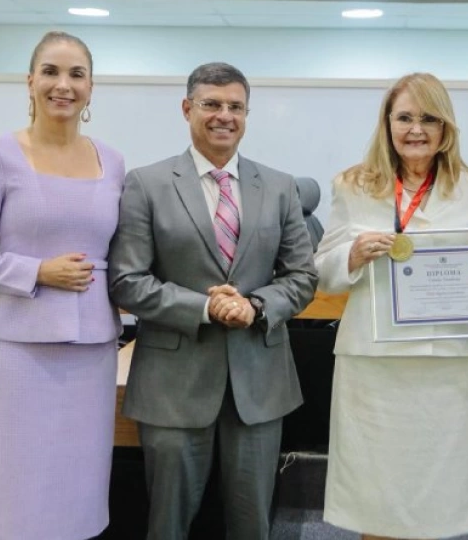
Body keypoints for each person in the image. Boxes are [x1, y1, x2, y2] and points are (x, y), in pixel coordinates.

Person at [108, 62, 318, 540]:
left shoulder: (281, 187)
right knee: (168, 523)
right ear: (187, 109)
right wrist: (205, 308)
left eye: (235, 107)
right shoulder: (147, 184)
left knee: (252, 524)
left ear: (246, 114)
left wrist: (255, 306)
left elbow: (302, 276)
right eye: (211, 104)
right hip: (173, 384)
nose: (224, 115)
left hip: (258, 384)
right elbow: (127, 280)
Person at [314, 72, 468, 540]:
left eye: (428, 118)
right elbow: (323, 270)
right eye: (404, 117)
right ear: (387, 123)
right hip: (374, 364)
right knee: (377, 495)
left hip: (448, 367)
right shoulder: (352, 184)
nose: (416, 129)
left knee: (438, 495)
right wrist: (351, 255)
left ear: (445, 127)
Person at [0, 31, 125, 540]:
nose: (62, 85)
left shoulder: (112, 160)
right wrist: (36, 272)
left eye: (76, 74)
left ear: (91, 87)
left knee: (79, 480)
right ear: (29, 81)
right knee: (15, 478)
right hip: (15, 348)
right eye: (50, 71)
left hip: (91, 348)